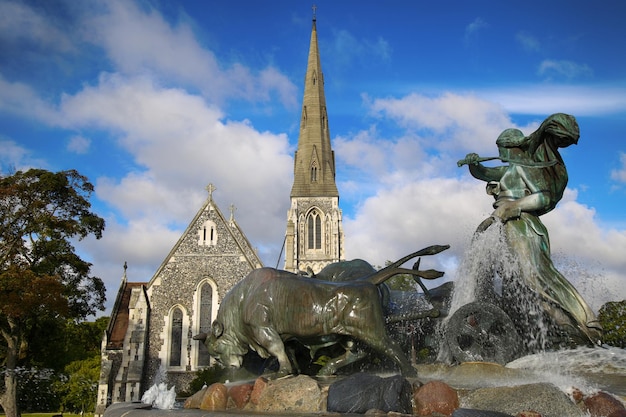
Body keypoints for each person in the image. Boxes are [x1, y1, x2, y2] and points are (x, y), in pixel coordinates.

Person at [459, 114, 602, 346]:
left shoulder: (525, 169)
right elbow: (483, 174)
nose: (501, 154)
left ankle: (580, 323)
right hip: (507, 226)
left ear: (511, 147)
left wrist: (513, 206)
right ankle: (558, 326)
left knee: (533, 277)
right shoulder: (509, 170)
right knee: (514, 280)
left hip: (523, 225)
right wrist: (474, 163)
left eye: (502, 149)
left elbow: (543, 197)